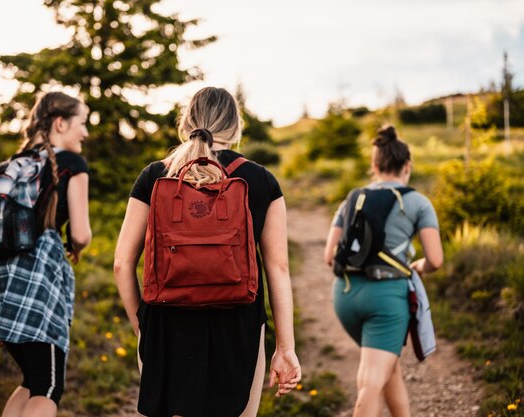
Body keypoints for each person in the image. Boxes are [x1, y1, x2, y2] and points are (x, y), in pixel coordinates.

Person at [114, 86, 301, 417]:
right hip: (238, 322)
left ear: (186, 123)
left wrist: (142, 327)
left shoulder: (155, 176)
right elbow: (279, 268)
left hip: (166, 322)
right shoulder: (261, 180)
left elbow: (121, 264)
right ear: (236, 127)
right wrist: (285, 348)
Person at [0, 91, 92, 417]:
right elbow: (82, 234)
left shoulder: (17, 163)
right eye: (81, 123)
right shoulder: (72, 165)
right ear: (60, 123)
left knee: (32, 379)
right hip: (31, 284)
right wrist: (76, 246)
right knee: (48, 385)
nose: (85, 132)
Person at [323, 125, 443, 417]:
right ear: (407, 166)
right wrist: (418, 267)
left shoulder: (352, 198)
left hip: (345, 296)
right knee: (371, 380)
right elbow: (436, 260)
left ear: (374, 166)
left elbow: (330, 256)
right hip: (387, 299)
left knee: (389, 368)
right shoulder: (418, 202)